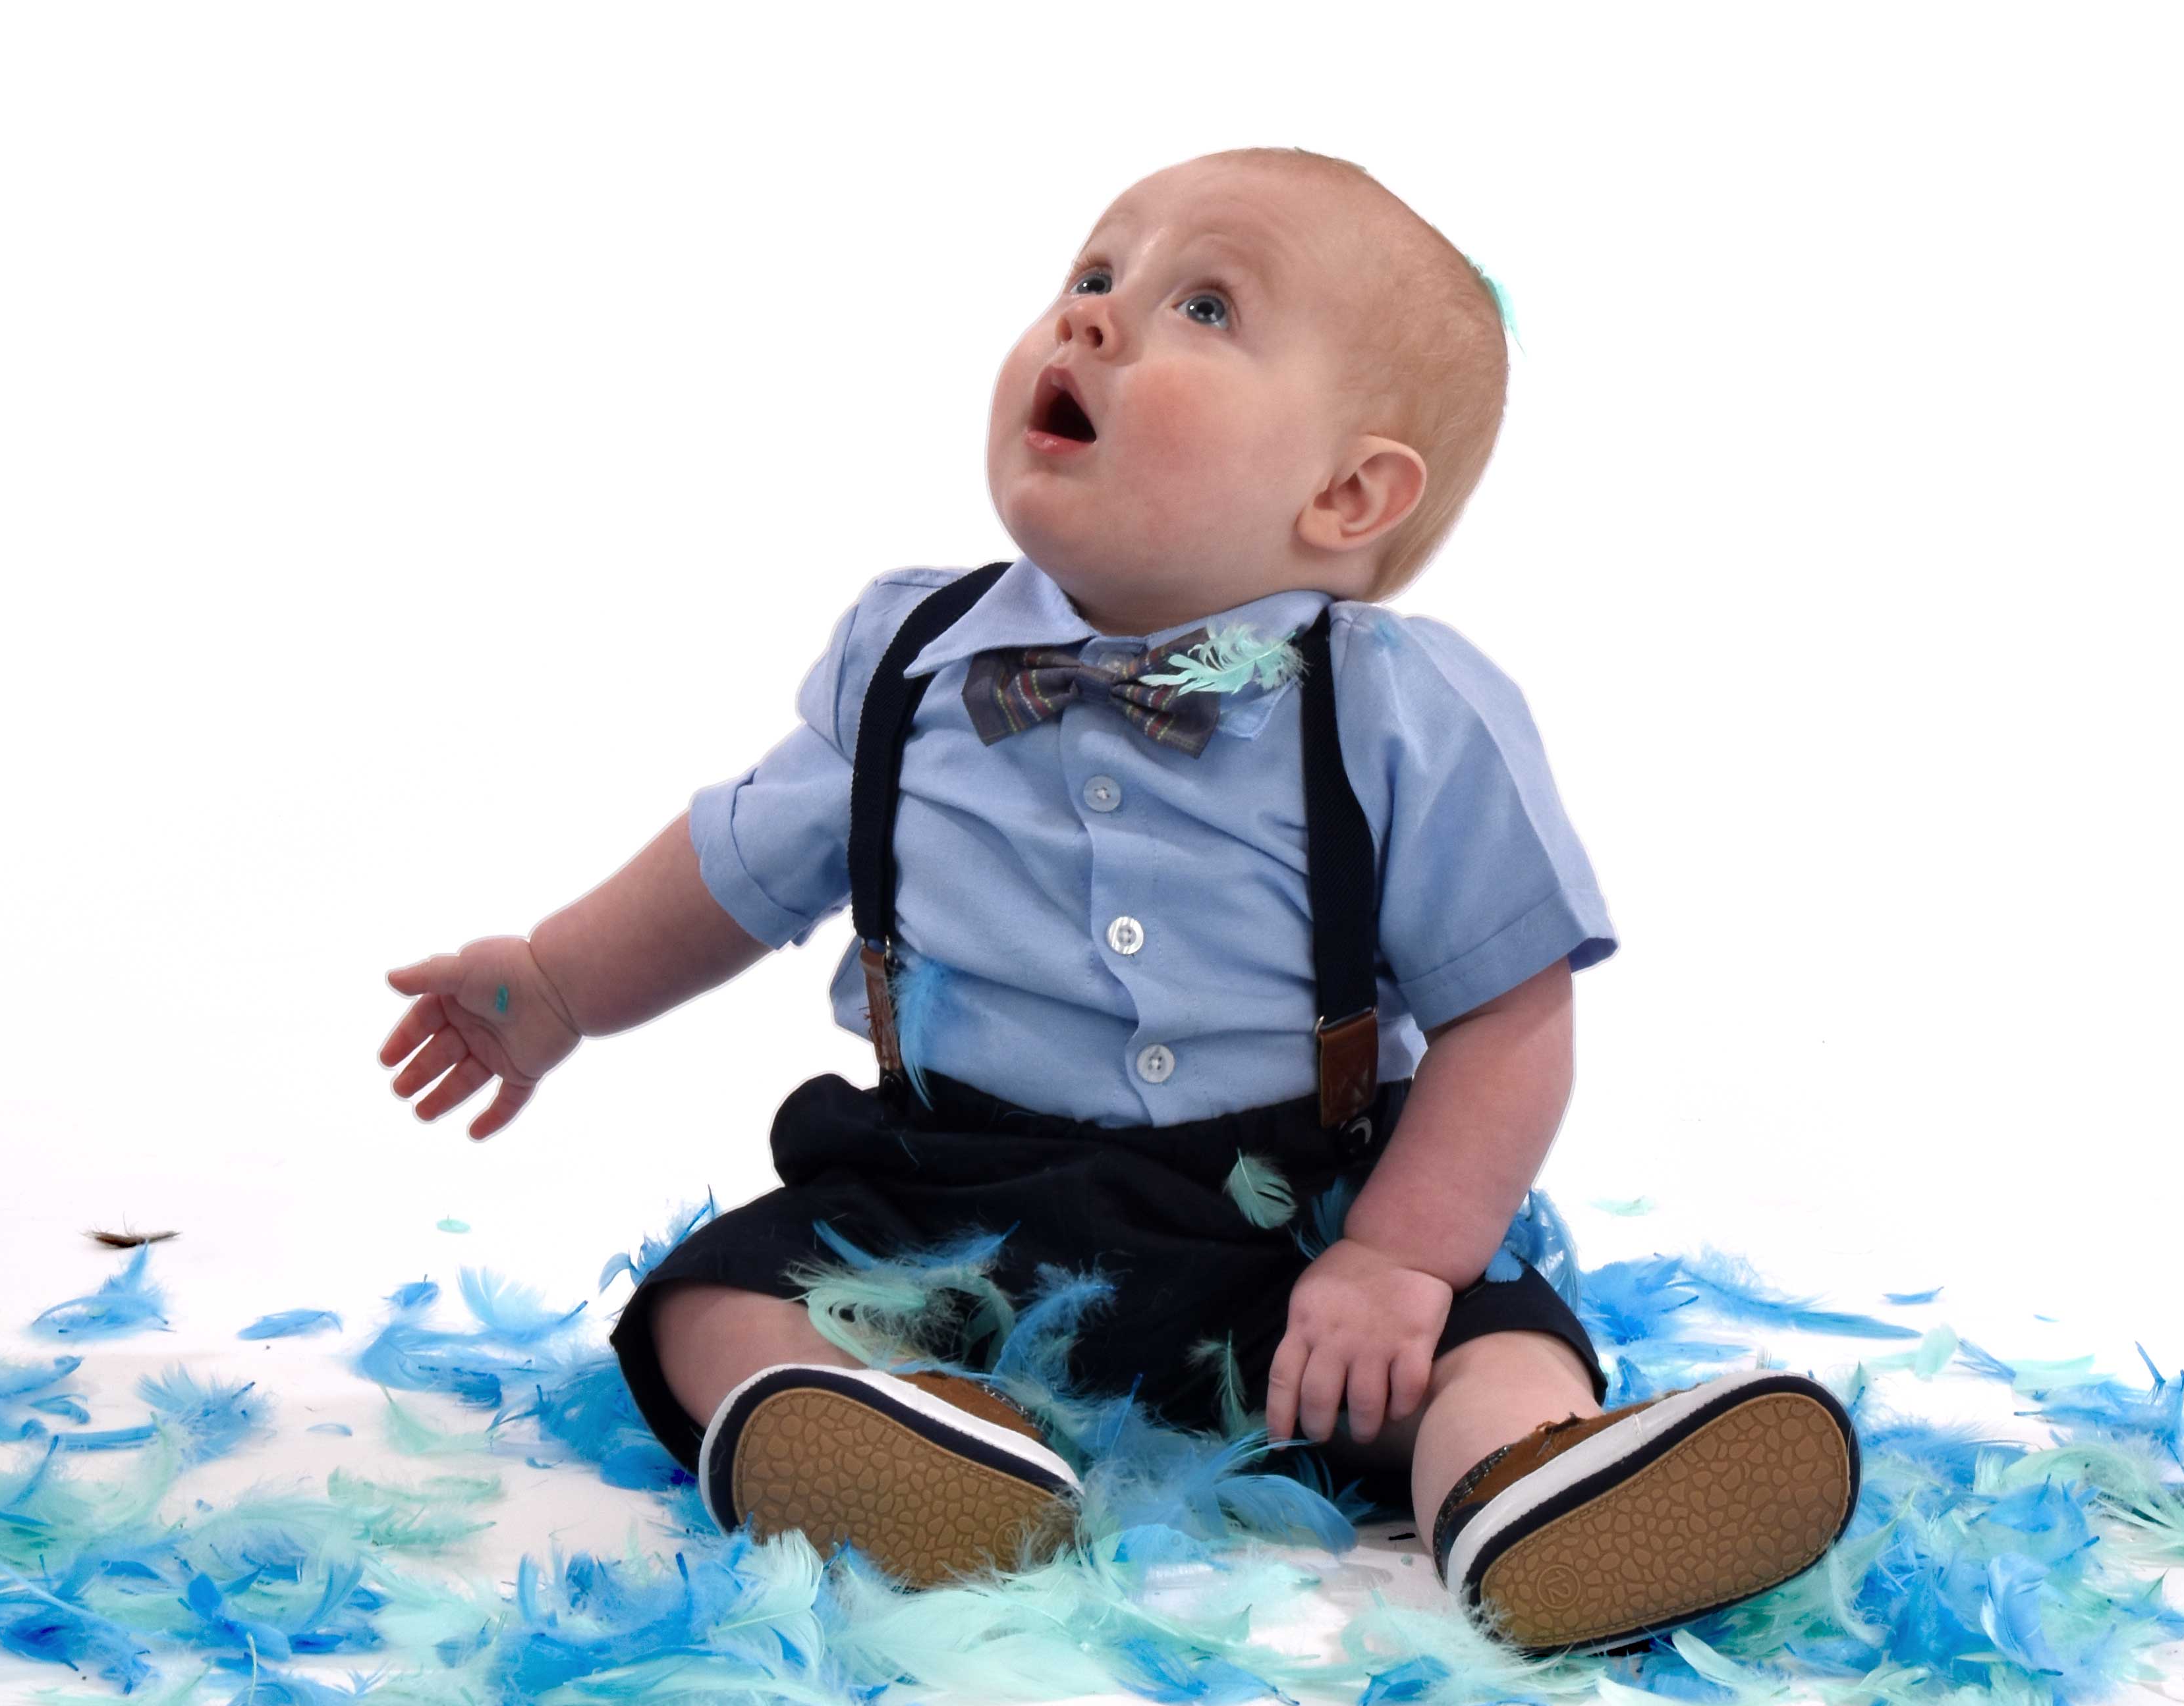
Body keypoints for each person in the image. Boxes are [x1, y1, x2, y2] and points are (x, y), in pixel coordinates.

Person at [376, 146, 1859, 1657]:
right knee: (719, 1293)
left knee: (1490, 1336)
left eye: (1203, 307)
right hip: (948, 1203)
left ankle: (1526, 1489)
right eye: (1092, 276)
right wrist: (552, 989)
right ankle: (897, 1442)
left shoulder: (1404, 712)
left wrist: (1403, 1257)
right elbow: (733, 867)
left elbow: (1507, 1015)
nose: (1090, 320)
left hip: (1302, 1233)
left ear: (1348, 493)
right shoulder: (914, 663)